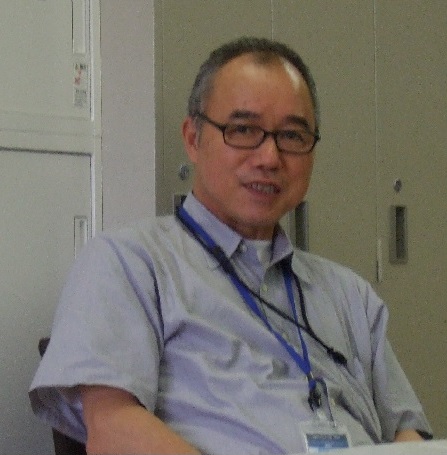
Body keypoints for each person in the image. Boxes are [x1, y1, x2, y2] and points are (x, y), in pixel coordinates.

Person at [30, 37, 432, 454]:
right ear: (193, 138)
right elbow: (112, 428)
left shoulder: (349, 295)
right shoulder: (130, 263)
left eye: (292, 135)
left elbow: (407, 433)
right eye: (243, 130)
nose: (270, 157)